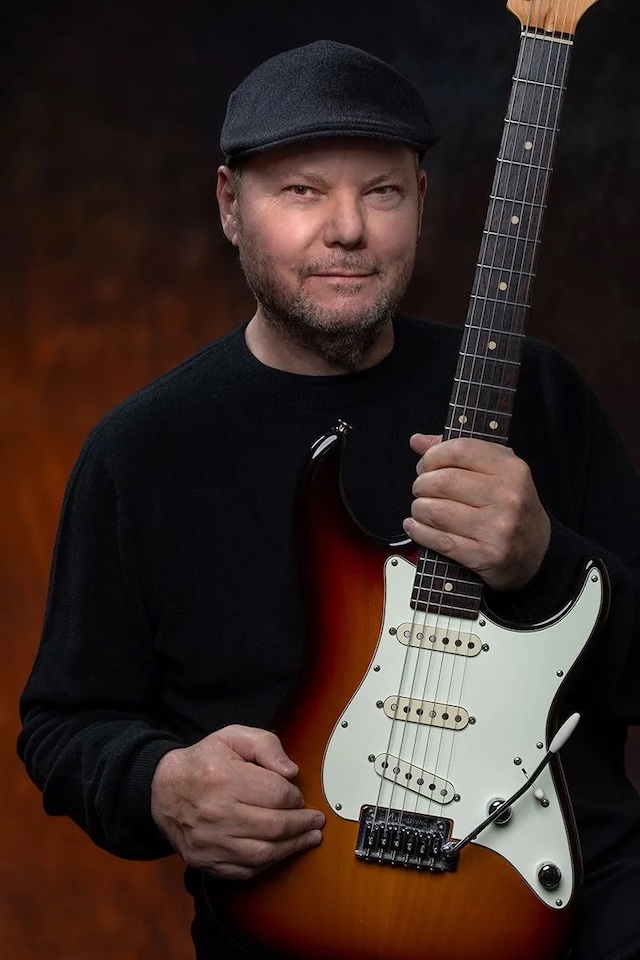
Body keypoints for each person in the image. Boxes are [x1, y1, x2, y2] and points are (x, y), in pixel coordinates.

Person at [17, 39, 640, 960]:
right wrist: (156, 782)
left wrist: (546, 559)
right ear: (231, 205)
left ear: (421, 201)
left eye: (381, 191)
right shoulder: (141, 453)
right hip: (300, 925)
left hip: (577, 914)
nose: (347, 230)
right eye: (302, 190)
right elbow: (64, 726)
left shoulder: (539, 394)